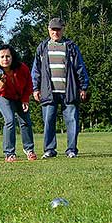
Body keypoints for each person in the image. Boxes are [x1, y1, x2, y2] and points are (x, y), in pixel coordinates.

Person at [31, 17, 89, 159]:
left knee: (72, 121)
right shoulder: (42, 47)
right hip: (48, 91)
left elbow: (80, 67)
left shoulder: (71, 46)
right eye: (53, 29)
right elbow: (36, 70)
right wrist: (35, 88)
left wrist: (83, 87)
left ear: (63, 29)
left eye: (58, 29)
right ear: (48, 29)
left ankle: (71, 150)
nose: (55, 32)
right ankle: (49, 150)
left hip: (69, 91)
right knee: (48, 122)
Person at [0, 44, 37, 162]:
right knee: (10, 120)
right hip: (2, 96)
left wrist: (25, 99)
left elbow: (29, 85)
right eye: (2, 57)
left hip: (19, 96)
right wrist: (2, 82)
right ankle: (9, 153)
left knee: (25, 121)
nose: (5, 59)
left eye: (8, 56)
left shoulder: (22, 68)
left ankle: (29, 150)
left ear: (12, 57)